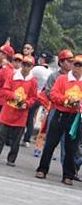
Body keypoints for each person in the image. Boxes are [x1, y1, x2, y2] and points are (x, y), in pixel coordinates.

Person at [35, 54, 82, 186]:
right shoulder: (62, 79)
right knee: (50, 143)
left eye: (80, 65)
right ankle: (42, 169)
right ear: (72, 65)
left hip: (75, 118)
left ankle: (68, 175)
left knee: (71, 147)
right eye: (76, 64)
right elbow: (53, 94)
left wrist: (77, 103)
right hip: (60, 114)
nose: (78, 68)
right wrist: (66, 100)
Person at [0, 55, 38, 165]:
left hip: (21, 114)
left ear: (32, 67)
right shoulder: (12, 76)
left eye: (29, 65)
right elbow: (5, 90)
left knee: (16, 139)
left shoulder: (33, 81)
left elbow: (33, 98)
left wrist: (27, 104)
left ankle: (11, 159)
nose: (26, 67)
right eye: (24, 64)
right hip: (7, 111)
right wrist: (13, 96)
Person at [24, 52, 53, 147]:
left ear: (42, 59)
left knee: (25, 116)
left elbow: (28, 77)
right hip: (42, 97)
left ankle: (22, 136)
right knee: (32, 117)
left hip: (32, 94)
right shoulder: (51, 72)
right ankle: (27, 138)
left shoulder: (36, 69)